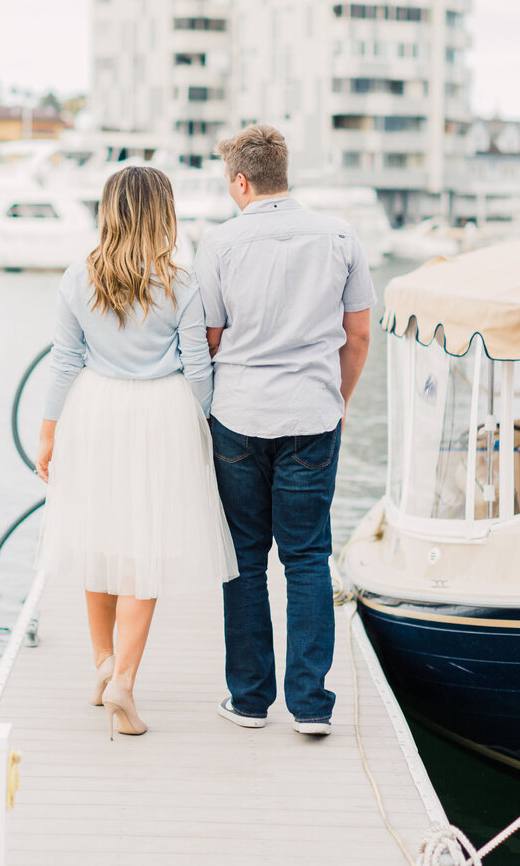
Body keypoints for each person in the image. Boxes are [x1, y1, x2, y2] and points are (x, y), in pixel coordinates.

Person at [35, 164, 238, 740]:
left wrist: (49, 432)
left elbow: (64, 361)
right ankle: (123, 677)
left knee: (98, 537)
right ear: (164, 215)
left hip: (93, 412)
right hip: (162, 413)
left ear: (110, 211)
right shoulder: (182, 283)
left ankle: (103, 666)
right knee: (143, 548)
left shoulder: (78, 278)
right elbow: (199, 368)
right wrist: (205, 427)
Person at [194, 125, 374, 736]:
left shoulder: (218, 244)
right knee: (307, 558)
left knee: (244, 560)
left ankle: (248, 701)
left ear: (240, 181)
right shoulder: (341, 236)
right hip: (312, 415)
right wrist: (339, 399)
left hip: (239, 415)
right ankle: (311, 706)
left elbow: (210, 338)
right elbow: (359, 336)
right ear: (283, 173)